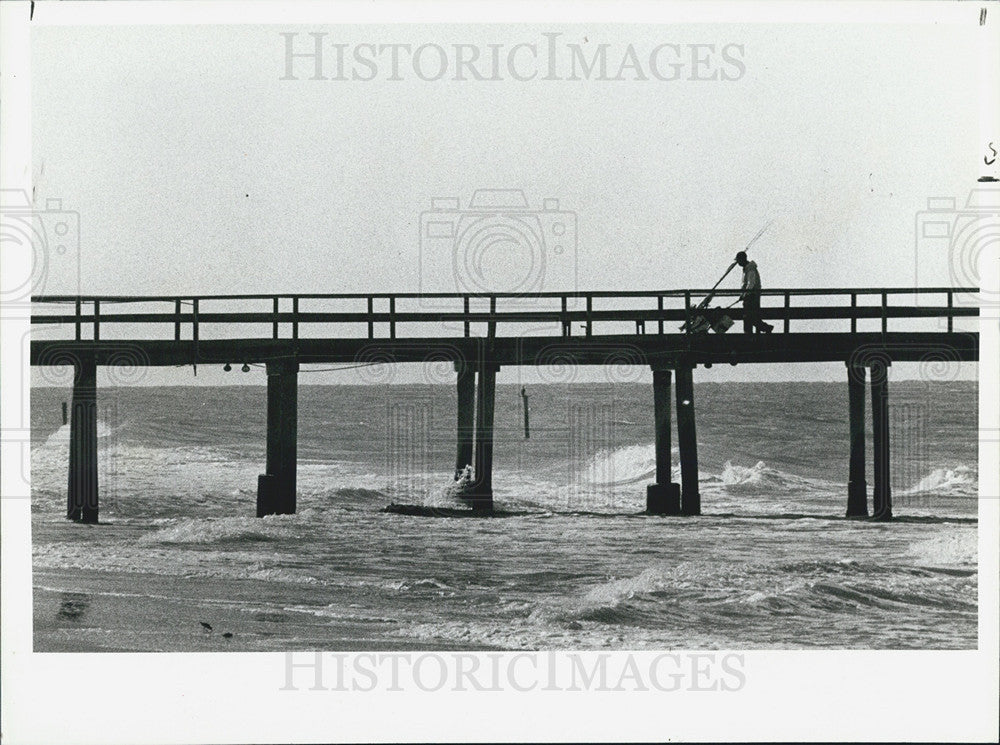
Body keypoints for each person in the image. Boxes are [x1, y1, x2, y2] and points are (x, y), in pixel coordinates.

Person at [735, 251, 773, 334]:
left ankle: (764, 328)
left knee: (749, 316)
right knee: (750, 316)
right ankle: (758, 330)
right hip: (751, 296)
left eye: (738, 261)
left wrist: (745, 294)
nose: (737, 263)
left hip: (751, 296)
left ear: (742, 260)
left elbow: (751, 283)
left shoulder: (750, 268)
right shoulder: (748, 268)